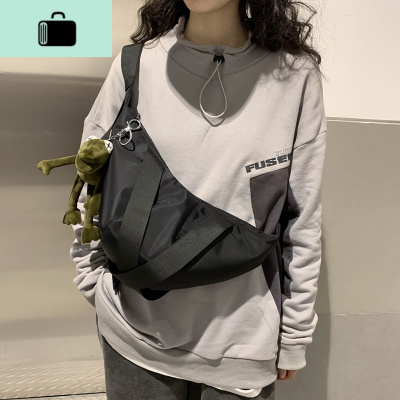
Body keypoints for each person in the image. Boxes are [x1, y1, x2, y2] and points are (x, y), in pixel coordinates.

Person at [70, 0, 327, 398]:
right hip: (134, 337)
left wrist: (294, 332)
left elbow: (301, 217)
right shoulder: (135, 65)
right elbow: (92, 178)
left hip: (242, 344)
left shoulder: (294, 77)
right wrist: (93, 281)